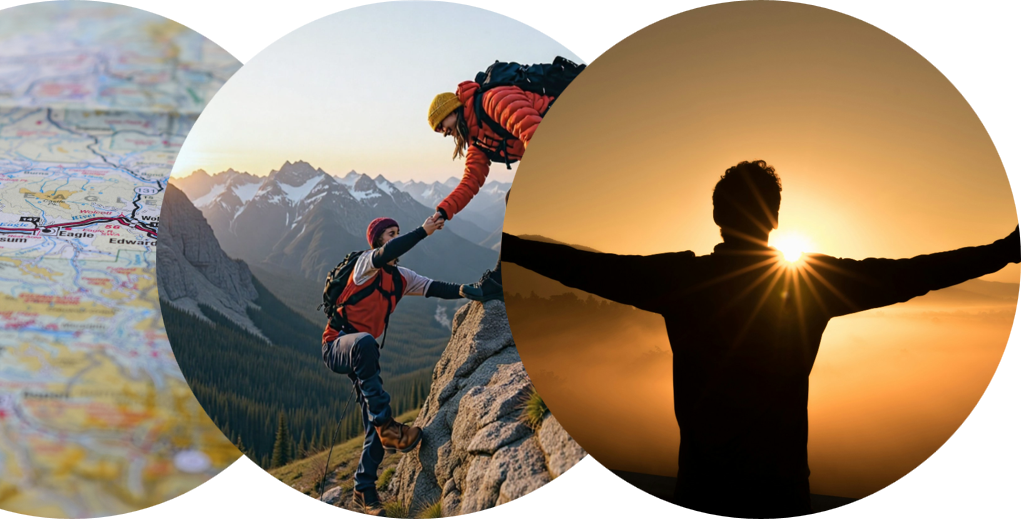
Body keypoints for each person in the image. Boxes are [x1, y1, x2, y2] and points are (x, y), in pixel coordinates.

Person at [501, 160, 1021, 518]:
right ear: (773, 218)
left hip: (702, 487)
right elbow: (910, 274)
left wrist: (510, 246)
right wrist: (1005, 249)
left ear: (717, 217)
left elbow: (584, 267)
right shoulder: (812, 283)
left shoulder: (683, 280)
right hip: (782, 493)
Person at [322, 213, 495, 513]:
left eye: (397, 232)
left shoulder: (401, 279)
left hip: (362, 354)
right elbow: (387, 253)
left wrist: (471, 291)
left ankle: (364, 491)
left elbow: (434, 287)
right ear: (377, 241)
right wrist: (424, 231)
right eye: (391, 234)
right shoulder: (365, 265)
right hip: (337, 345)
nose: (395, 238)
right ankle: (388, 427)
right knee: (366, 348)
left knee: (373, 424)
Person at [426, 79, 551, 222]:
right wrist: (443, 211)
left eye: (440, 125)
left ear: (451, 111)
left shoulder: (493, 101)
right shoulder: (478, 140)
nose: (444, 132)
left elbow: (534, 133)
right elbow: (471, 181)